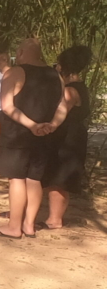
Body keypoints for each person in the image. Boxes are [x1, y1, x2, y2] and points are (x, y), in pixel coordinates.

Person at [0, 38, 67, 239]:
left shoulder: (14, 72)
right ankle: (29, 225)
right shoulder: (56, 75)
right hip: (45, 136)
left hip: (18, 135)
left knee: (17, 179)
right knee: (34, 180)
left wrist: (31, 125)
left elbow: (7, 106)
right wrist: (52, 125)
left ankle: (14, 227)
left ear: (21, 52)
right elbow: (63, 105)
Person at [40, 45, 93, 230]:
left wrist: (51, 125)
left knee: (59, 179)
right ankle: (54, 217)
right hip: (74, 136)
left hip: (67, 139)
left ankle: (54, 220)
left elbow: (62, 111)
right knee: (58, 178)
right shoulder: (81, 87)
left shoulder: (70, 91)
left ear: (64, 67)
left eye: (58, 65)